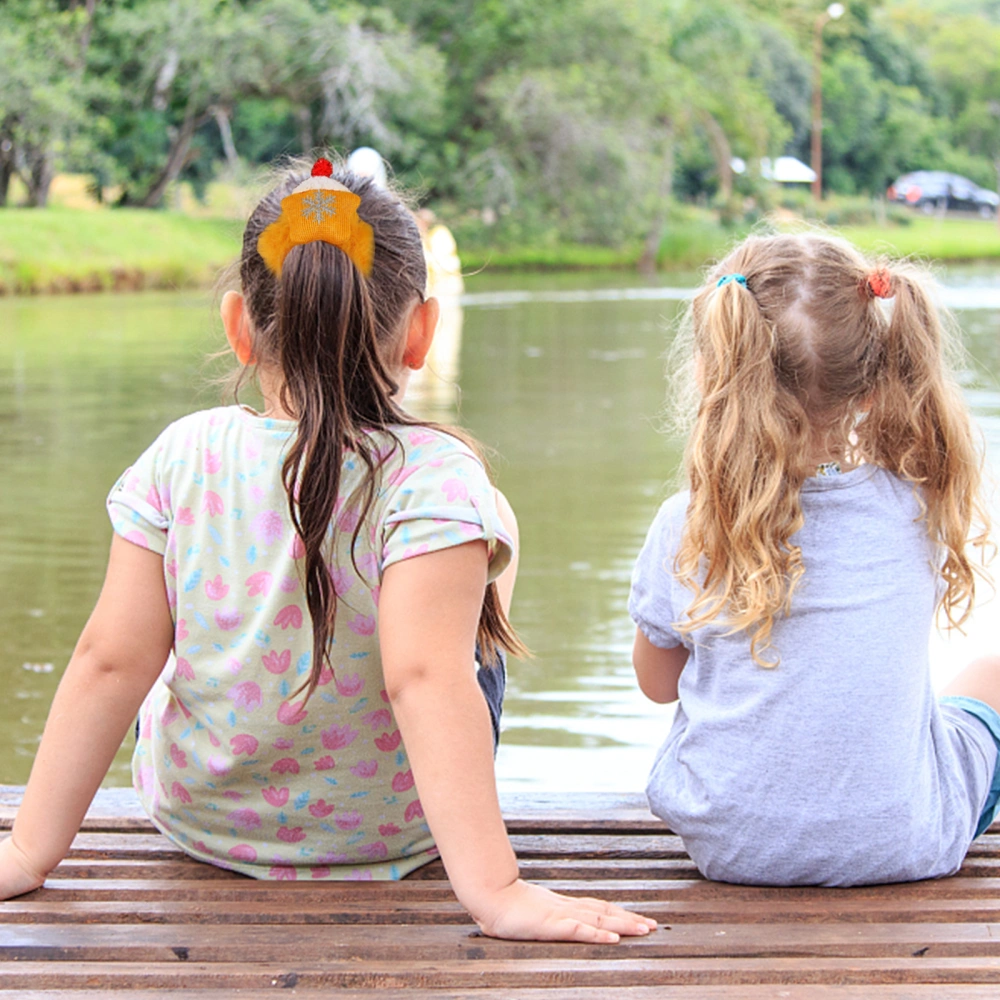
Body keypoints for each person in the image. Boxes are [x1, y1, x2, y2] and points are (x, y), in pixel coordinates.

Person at [0, 157, 656, 943]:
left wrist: (29, 852)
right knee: (485, 529)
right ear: (421, 333)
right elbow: (424, 678)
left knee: (166, 640)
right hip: (391, 833)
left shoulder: (183, 456)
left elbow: (111, 660)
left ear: (240, 328)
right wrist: (498, 892)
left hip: (204, 822)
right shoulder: (435, 478)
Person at [629, 231, 999, 887]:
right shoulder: (917, 510)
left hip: (732, 848)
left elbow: (658, 685)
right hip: (903, 842)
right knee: (990, 671)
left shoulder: (686, 523)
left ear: (718, 371)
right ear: (872, 381)